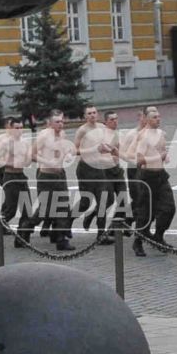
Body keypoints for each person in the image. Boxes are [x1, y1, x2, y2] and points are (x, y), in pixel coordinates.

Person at [24, 111, 76, 249]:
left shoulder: (62, 135)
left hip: (60, 175)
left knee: (63, 207)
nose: (61, 124)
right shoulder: (44, 136)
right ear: (50, 123)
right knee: (45, 209)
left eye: (62, 121)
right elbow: (31, 154)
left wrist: (68, 155)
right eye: (57, 122)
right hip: (46, 177)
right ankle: (25, 230)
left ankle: (60, 239)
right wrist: (47, 161)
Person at [128, 106, 174, 256]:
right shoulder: (143, 136)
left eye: (159, 116)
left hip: (161, 176)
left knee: (169, 208)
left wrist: (165, 157)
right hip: (147, 177)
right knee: (145, 213)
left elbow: (161, 151)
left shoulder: (161, 133)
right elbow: (139, 160)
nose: (158, 119)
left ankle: (158, 237)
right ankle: (138, 242)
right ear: (146, 119)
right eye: (154, 117)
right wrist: (157, 157)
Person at [0, 117, 33, 248]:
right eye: (16, 128)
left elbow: (28, 160)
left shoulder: (25, 143)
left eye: (21, 128)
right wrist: (12, 163)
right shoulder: (5, 143)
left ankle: (21, 239)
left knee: (27, 210)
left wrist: (26, 161)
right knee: (11, 210)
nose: (19, 131)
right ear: (11, 128)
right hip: (9, 177)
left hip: (21, 176)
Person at [73, 106, 115, 234]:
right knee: (85, 203)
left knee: (104, 200)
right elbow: (75, 150)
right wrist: (93, 149)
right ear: (85, 116)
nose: (92, 115)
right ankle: (67, 222)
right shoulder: (82, 130)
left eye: (94, 112)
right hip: (86, 169)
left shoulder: (102, 127)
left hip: (99, 167)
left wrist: (109, 149)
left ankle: (101, 234)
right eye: (89, 113)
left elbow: (106, 144)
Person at [101, 110, 132, 235]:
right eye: (111, 120)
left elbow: (122, 152)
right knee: (108, 200)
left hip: (117, 171)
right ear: (105, 122)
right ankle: (94, 219)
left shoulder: (118, 135)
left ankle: (114, 228)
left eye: (116, 119)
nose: (115, 122)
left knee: (123, 199)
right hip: (105, 172)